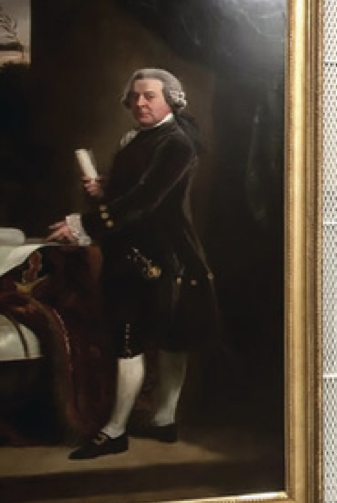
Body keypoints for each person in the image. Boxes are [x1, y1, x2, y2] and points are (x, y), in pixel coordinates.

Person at [48, 68, 218, 459]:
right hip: (133, 250)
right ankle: (137, 424)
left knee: (171, 338)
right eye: (135, 97)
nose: (140, 103)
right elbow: (138, 188)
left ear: (171, 100)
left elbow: (147, 198)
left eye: (150, 96)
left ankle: (135, 425)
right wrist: (108, 187)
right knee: (130, 339)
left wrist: (83, 224)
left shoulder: (177, 142)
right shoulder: (140, 139)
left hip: (166, 253)